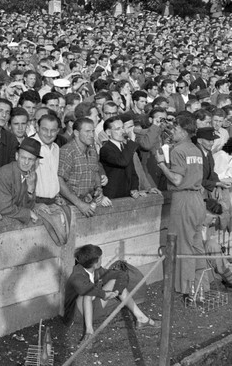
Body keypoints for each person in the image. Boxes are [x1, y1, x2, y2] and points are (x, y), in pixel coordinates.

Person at [155, 114, 210, 295]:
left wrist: (162, 164)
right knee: (196, 244)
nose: (173, 132)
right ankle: (202, 287)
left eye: (176, 129)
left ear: (184, 131)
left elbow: (177, 180)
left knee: (183, 245)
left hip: (183, 199)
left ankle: (187, 289)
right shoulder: (196, 149)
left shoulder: (178, 151)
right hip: (197, 199)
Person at [64, 244, 160, 342]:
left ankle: (141, 318)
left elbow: (120, 274)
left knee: (114, 282)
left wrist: (118, 290)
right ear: (95, 263)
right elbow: (87, 290)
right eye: (100, 258)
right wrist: (104, 294)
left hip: (94, 308)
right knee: (88, 293)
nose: (101, 260)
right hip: (77, 314)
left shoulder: (97, 270)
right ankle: (89, 331)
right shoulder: (77, 275)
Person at [58, 118, 111, 217]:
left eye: (93, 131)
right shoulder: (67, 151)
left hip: (87, 203)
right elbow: (59, 181)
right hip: (69, 206)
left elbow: (95, 173)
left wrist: (99, 189)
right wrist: (79, 204)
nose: (91, 135)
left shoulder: (92, 151)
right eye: (87, 131)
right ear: (76, 133)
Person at [0, 137, 42, 223]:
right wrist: (28, 213)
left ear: (35, 161)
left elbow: (29, 206)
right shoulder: (4, 174)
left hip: (12, 221)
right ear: (16, 156)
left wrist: (30, 189)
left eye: (30, 159)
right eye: (23, 158)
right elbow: (4, 208)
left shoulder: (32, 175)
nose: (26, 162)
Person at [99, 117, 141, 199]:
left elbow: (132, 172)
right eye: (118, 129)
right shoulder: (106, 149)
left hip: (127, 195)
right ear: (108, 132)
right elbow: (122, 162)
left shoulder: (125, 147)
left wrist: (134, 188)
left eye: (122, 128)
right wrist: (131, 141)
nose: (123, 131)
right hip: (112, 196)